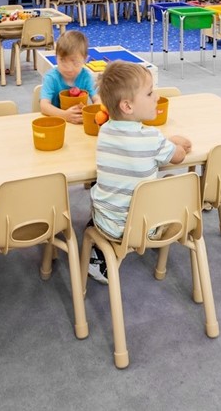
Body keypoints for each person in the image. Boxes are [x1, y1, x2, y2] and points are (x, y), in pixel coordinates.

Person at [86, 61, 192, 284]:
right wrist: (176, 144)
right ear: (127, 106)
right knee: (171, 181)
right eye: (150, 92)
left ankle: (98, 258)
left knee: (99, 191)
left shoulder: (104, 131)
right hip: (146, 228)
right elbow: (179, 156)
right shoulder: (152, 138)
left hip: (107, 225)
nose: (156, 97)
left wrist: (165, 142)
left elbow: (133, 145)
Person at [40, 30, 99, 124]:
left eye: (75, 62)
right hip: (57, 122)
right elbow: (44, 106)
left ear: (85, 60)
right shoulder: (51, 78)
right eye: (63, 60)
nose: (68, 68)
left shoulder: (86, 76)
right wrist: (64, 115)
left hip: (79, 125)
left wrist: (93, 111)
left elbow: (97, 100)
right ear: (56, 58)